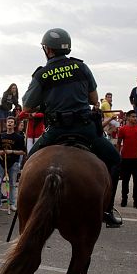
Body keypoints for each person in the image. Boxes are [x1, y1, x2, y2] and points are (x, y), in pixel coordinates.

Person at [21, 27, 122, 226]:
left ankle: (24, 208)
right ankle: (107, 210)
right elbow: (93, 99)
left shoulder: (42, 74)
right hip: (84, 128)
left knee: (29, 163)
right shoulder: (81, 67)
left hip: (56, 130)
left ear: (48, 49)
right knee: (114, 160)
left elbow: (27, 106)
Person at [116, 110, 137, 210]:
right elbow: (119, 142)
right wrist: (117, 155)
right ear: (128, 118)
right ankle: (124, 199)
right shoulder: (122, 129)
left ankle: (136, 201)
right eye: (133, 117)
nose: (135, 118)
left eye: (136, 117)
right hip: (125, 159)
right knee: (125, 181)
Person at [0, 116, 26, 211]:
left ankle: (12, 204)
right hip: (1, 162)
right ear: (6, 123)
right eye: (8, 121)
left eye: (12, 122)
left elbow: (23, 152)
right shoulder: (1, 136)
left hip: (13, 163)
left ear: (14, 125)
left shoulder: (19, 137)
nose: (9, 123)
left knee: (12, 184)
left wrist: (11, 151)